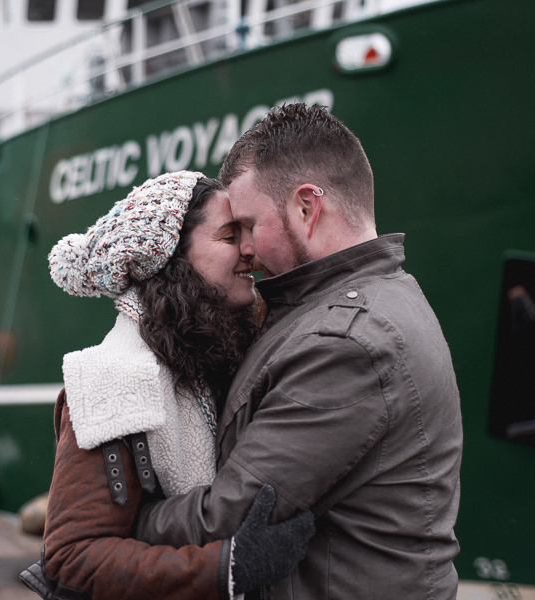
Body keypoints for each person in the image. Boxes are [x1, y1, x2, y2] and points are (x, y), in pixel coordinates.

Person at [134, 104, 464, 599]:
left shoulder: (345, 343)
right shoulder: (385, 296)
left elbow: (230, 514)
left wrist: (122, 519)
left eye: (249, 225)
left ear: (307, 207)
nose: (245, 250)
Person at [20, 171, 315, 600]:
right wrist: (225, 567)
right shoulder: (114, 378)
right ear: (170, 257)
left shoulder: (208, 355)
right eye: (229, 236)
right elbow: (72, 554)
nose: (250, 250)